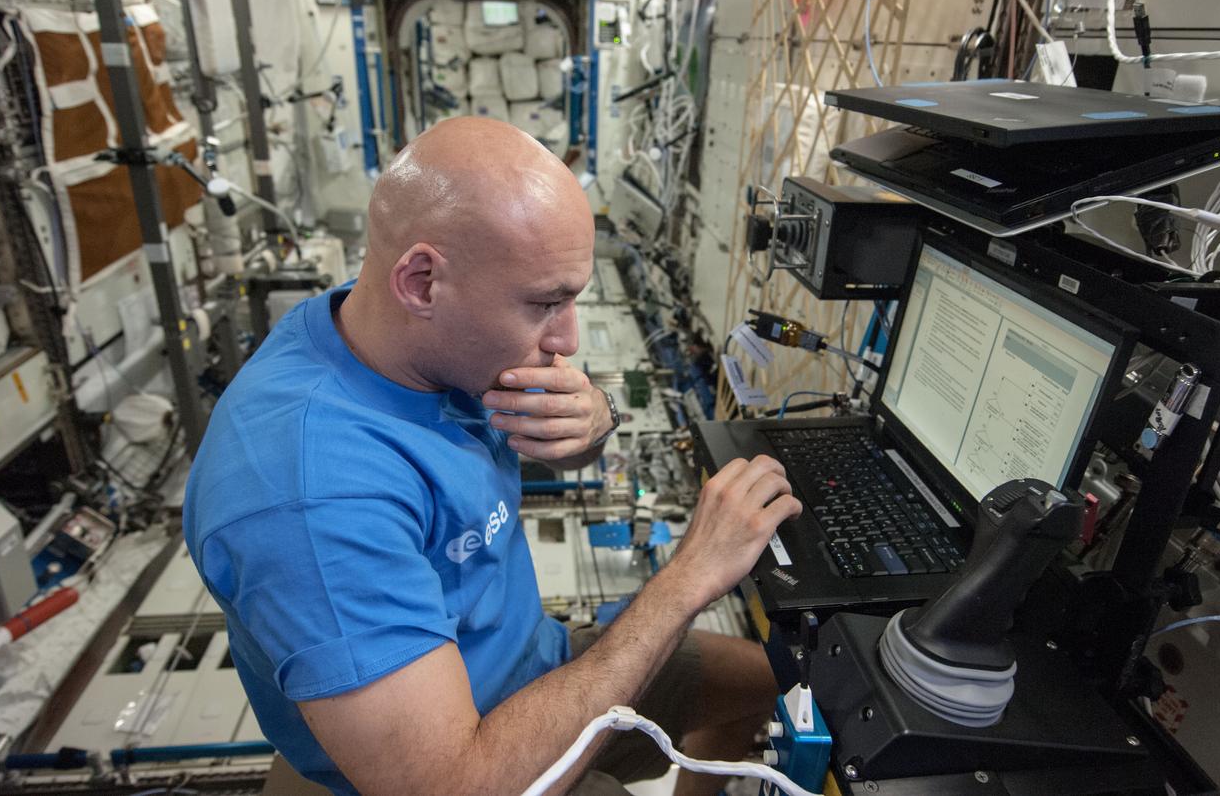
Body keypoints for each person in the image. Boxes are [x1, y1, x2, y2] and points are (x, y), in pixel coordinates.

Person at [184, 118, 802, 796]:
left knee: (770, 680)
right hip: (469, 756)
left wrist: (593, 417)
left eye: (573, 299)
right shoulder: (309, 494)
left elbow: (570, 438)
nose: (565, 340)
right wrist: (688, 580)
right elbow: (455, 785)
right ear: (420, 282)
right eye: (545, 304)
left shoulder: (409, 343)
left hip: (531, 664)